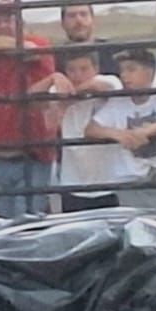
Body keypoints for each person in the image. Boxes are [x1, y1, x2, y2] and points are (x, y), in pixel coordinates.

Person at [0, 0, 63, 218]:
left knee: (26, 224)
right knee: (6, 224)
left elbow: (28, 49)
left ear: (21, 23)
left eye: (9, 19)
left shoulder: (37, 44)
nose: (3, 24)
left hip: (32, 157)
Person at [85, 47, 156, 211]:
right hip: (130, 181)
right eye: (122, 70)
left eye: (131, 69)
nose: (125, 76)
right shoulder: (117, 103)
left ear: (149, 72)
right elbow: (91, 129)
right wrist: (118, 134)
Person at [56, 49, 123, 211]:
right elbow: (34, 98)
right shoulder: (60, 89)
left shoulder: (109, 81)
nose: (77, 75)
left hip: (109, 182)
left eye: (84, 69)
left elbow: (100, 85)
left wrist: (72, 95)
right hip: (73, 182)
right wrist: (53, 77)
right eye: (71, 70)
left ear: (96, 69)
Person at [58, 0, 120, 76]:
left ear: (93, 20)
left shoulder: (111, 51)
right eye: (71, 16)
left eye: (83, 14)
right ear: (63, 23)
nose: (78, 20)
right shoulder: (55, 57)